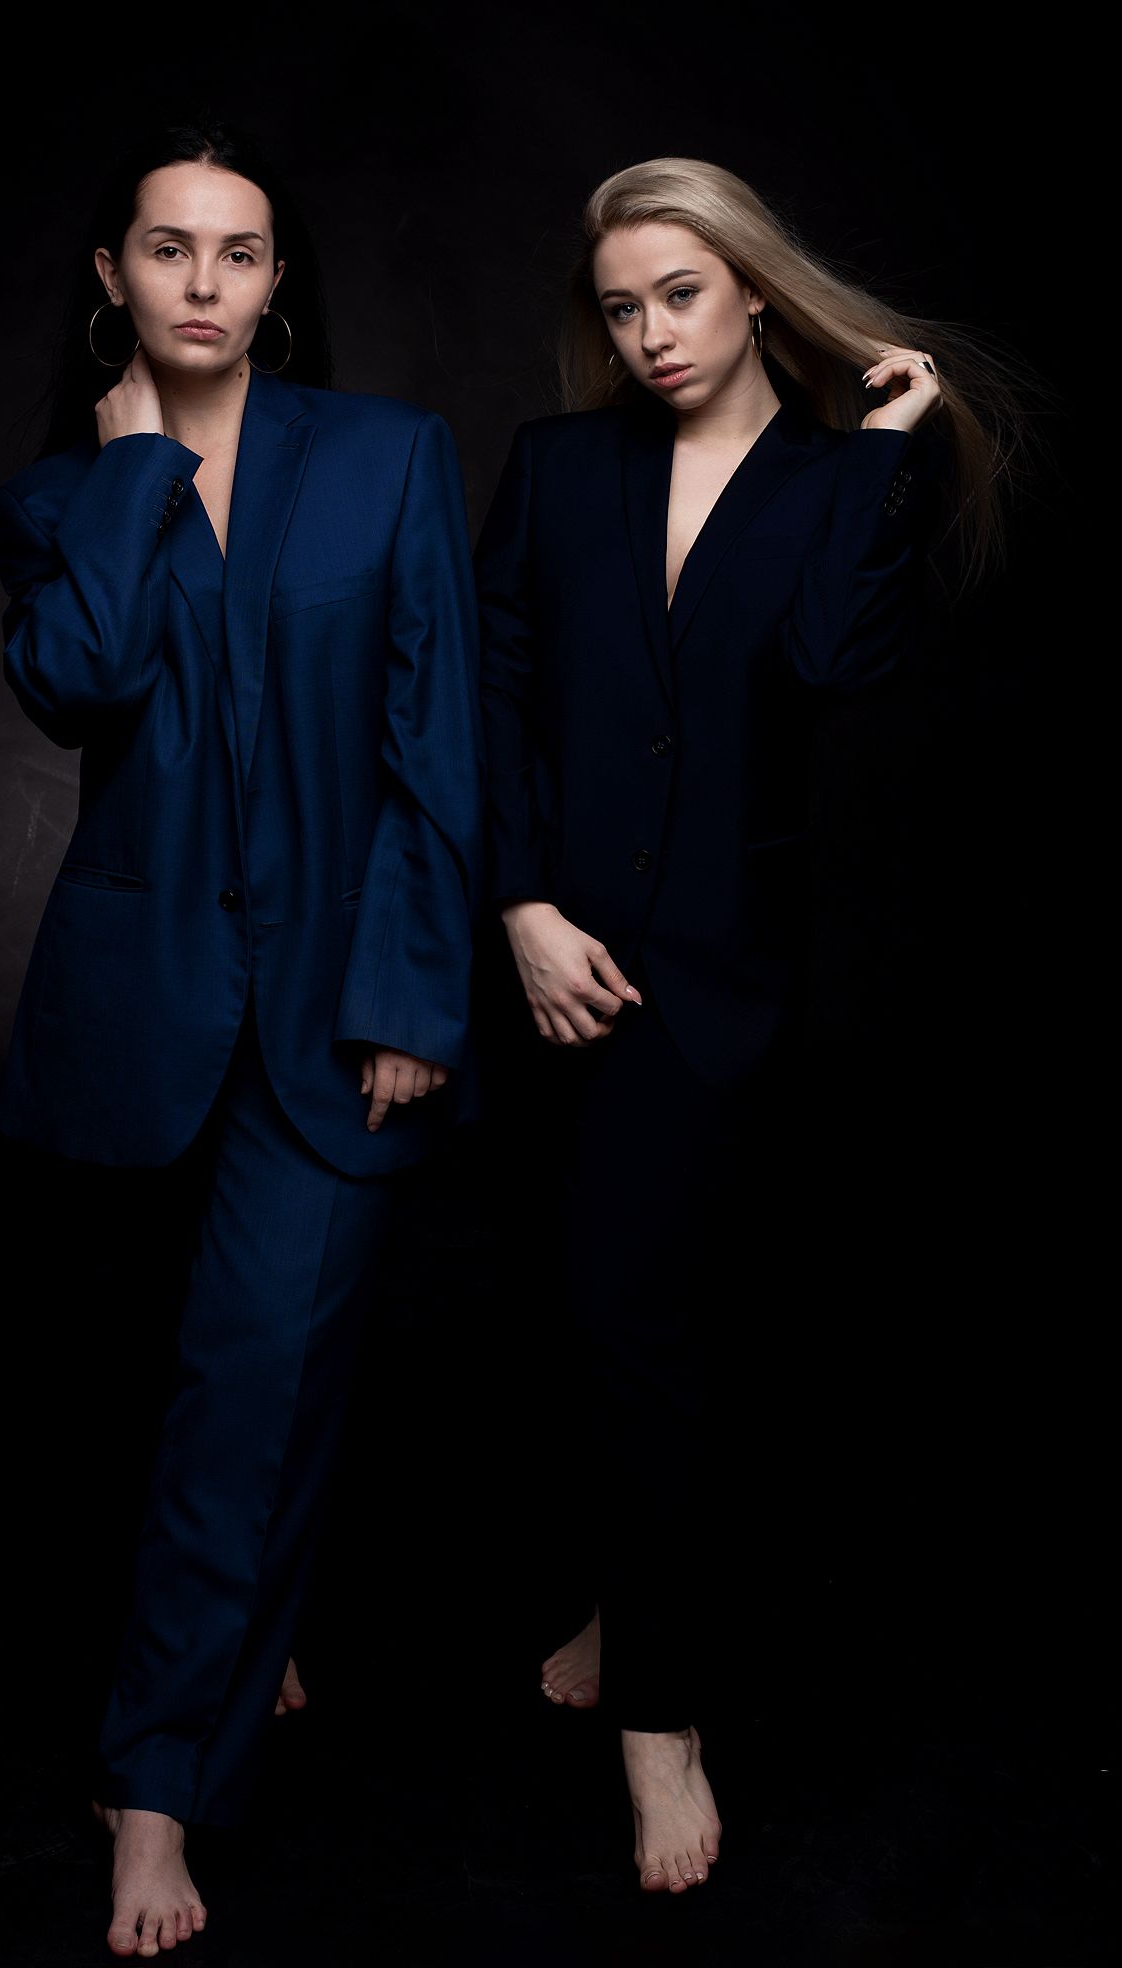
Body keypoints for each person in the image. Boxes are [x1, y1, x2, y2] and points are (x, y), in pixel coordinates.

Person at [475, 155, 1020, 1898]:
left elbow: (834, 664)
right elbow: (490, 690)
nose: (648, 333)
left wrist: (881, 450)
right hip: (548, 960)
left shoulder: (832, 479)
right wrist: (522, 908)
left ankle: (664, 1718)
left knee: (655, 1328)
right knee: (575, 1318)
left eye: (680, 294)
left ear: (755, 292)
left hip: (717, 984)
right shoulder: (561, 467)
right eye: (620, 306)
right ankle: (631, 1611)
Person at [0, 116, 483, 1958]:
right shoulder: (61, 494)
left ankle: (153, 1787)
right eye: (169, 248)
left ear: (279, 287)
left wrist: (411, 995)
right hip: (134, 1020)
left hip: (337, 1018)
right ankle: (235, 1643)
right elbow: (76, 682)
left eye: (241, 252)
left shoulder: (386, 454)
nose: (204, 282)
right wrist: (133, 470)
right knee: (148, 1391)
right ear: (111, 275)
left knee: (248, 1389)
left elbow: (435, 733)